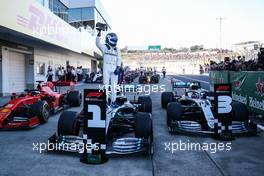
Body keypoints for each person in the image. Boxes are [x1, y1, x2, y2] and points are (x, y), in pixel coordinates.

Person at [96, 29, 121, 107]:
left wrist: (118, 67)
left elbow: (119, 59)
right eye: (113, 40)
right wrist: (99, 34)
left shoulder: (117, 49)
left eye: (115, 40)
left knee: (114, 87)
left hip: (114, 69)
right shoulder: (104, 47)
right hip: (106, 67)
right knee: (105, 85)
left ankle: (113, 102)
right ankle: (106, 102)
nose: (114, 41)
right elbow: (97, 43)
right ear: (108, 39)